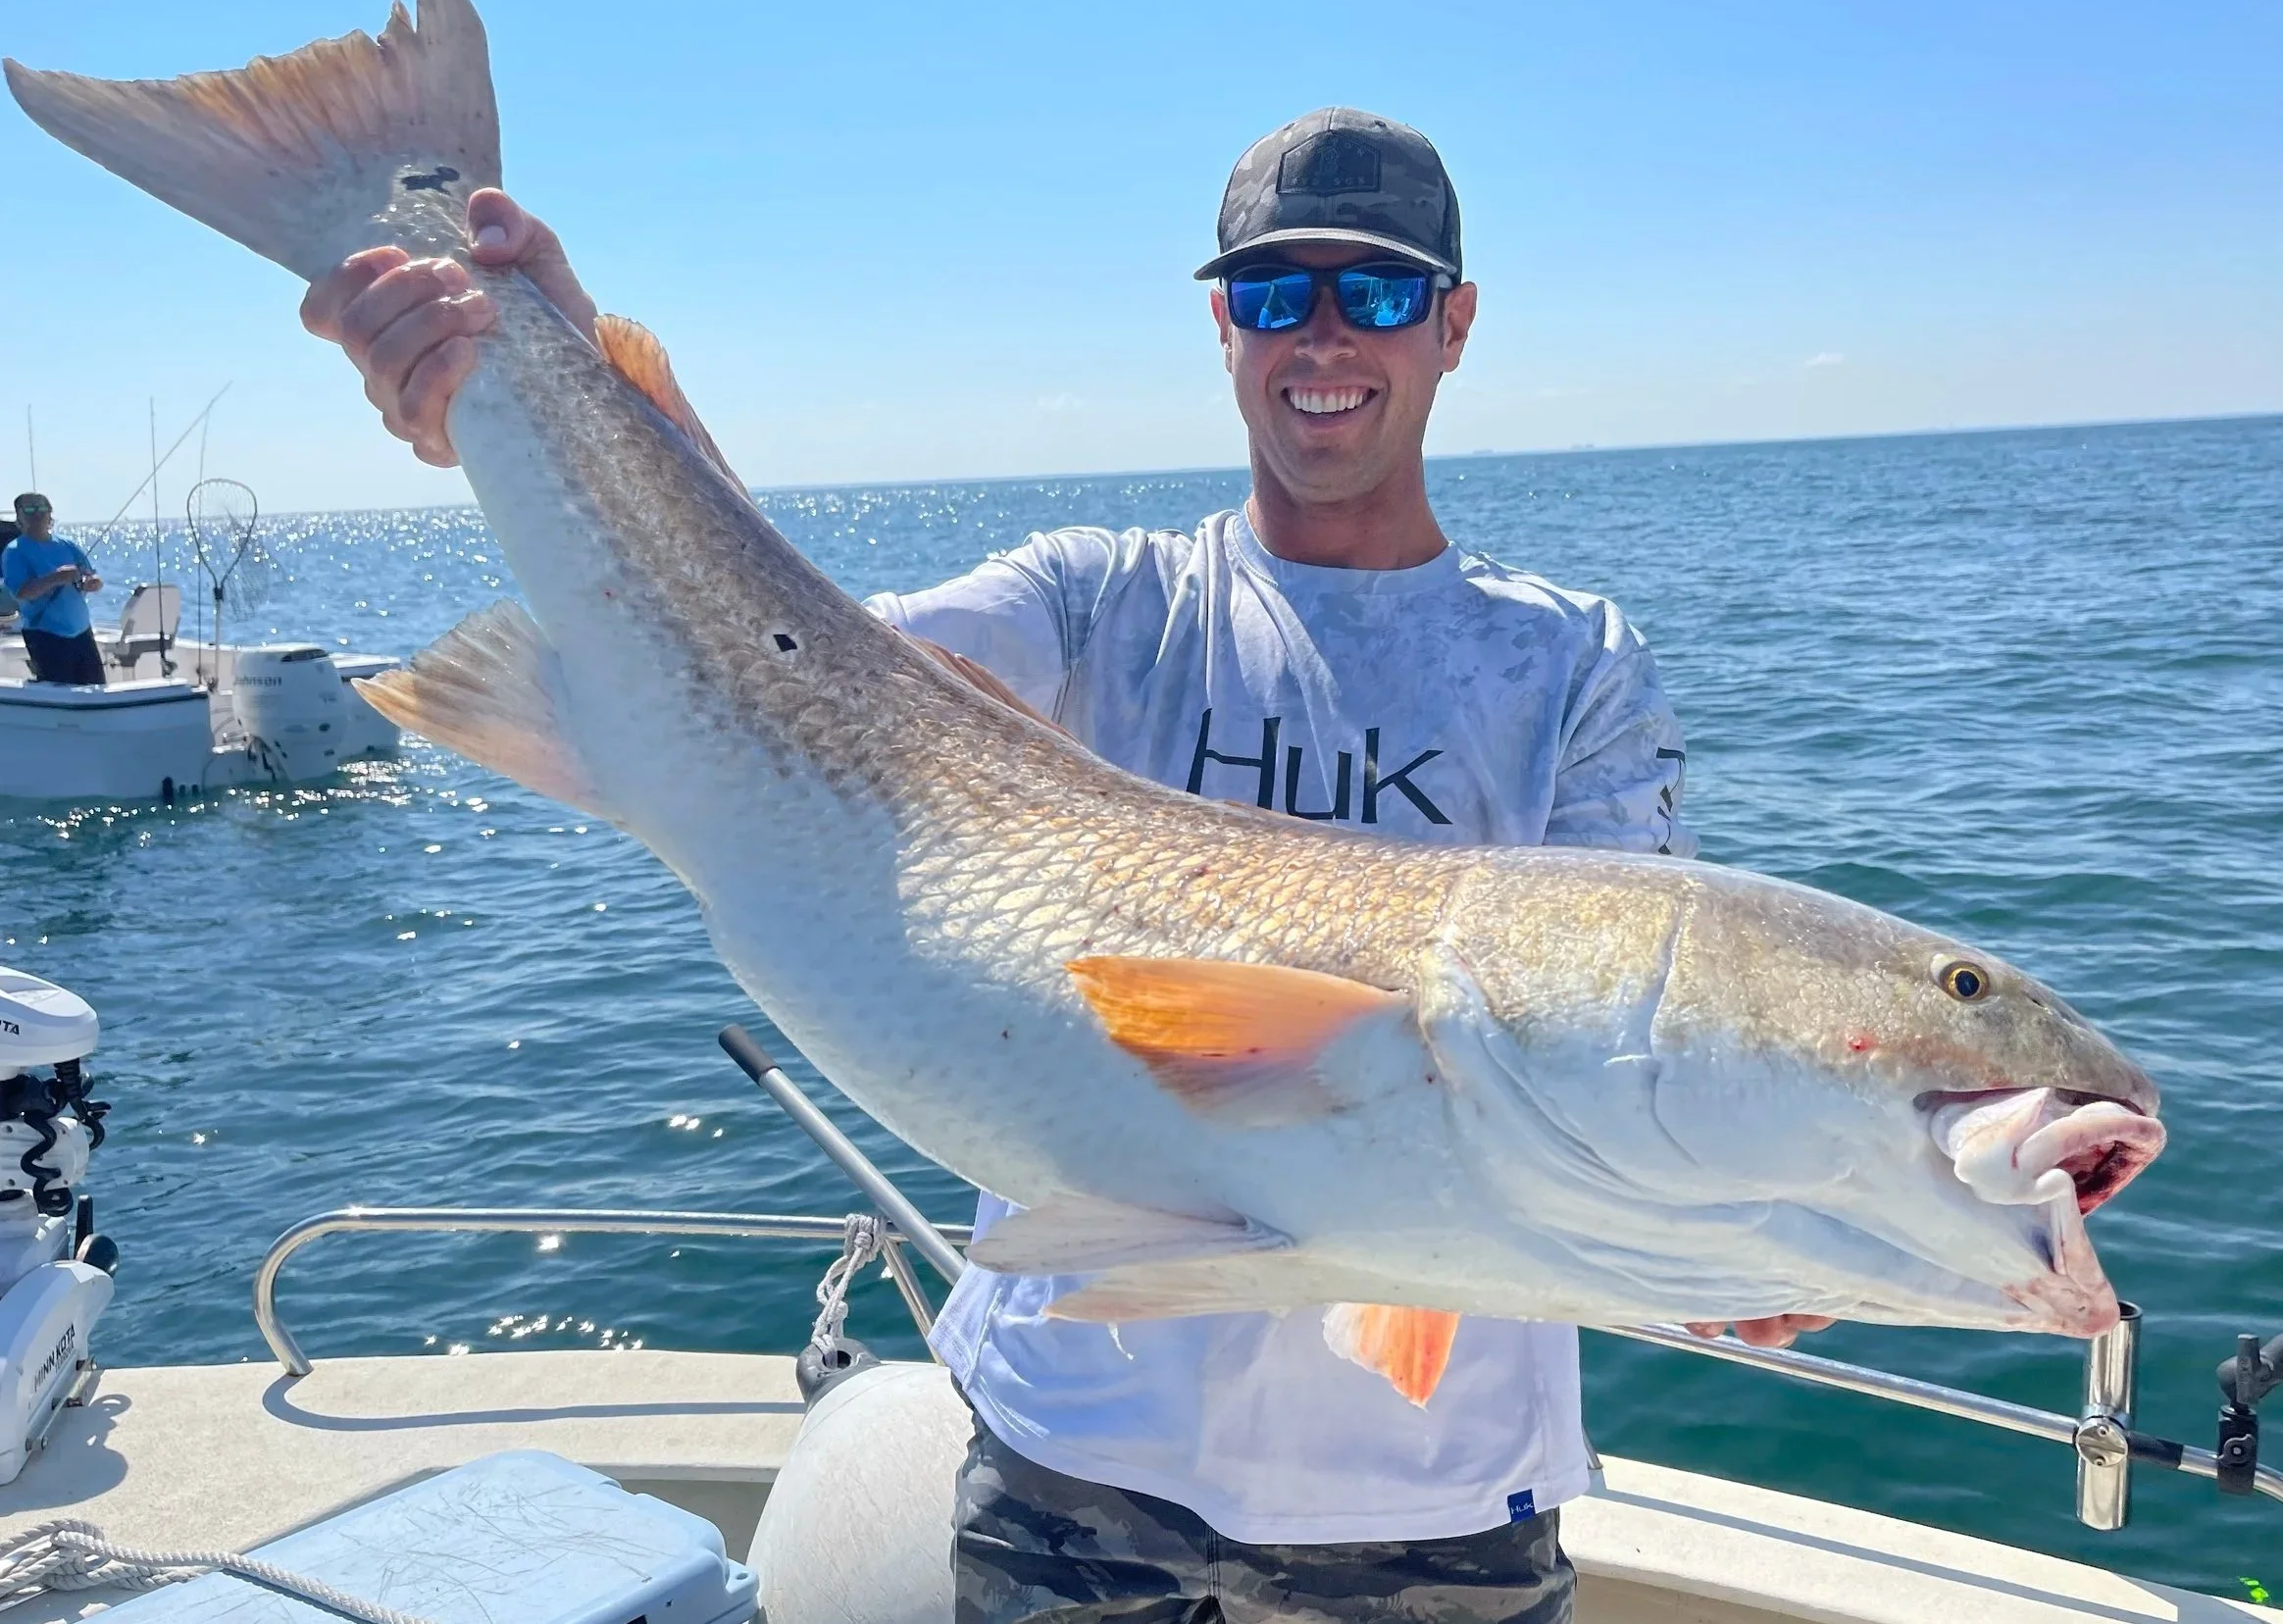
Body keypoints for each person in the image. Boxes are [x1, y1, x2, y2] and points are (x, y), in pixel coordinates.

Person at [303, 106, 1832, 1624]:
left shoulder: (1569, 661)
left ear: (1453, 324)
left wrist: (1727, 1219)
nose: (1321, 337)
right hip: (1072, 1463)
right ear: (1220, 326)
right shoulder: (1102, 601)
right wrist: (533, 355)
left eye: (1371, 292)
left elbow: (1622, 1046)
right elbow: (781, 660)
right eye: (1269, 292)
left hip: (1445, 1504)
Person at [2, 492, 104, 685]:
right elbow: (21, 592)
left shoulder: (67, 545)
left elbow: (91, 575)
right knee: (60, 690)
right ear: (19, 517)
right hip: (46, 635)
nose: (37, 513)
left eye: (42, 508)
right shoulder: (15, 551)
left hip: (82, 632)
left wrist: (93, 583)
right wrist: (55, 578)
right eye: (30, 509)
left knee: (96, 688)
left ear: (50, 514)